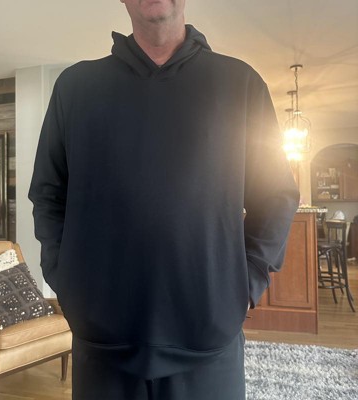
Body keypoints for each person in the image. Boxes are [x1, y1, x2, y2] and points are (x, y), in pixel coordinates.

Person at [28, 1, 300, 399]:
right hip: (102, 342)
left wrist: (245, 282)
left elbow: (276, 195)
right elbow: (48, 193)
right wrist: (64, 277)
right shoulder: (75, 87)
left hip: (208, 341)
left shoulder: (240, 82)